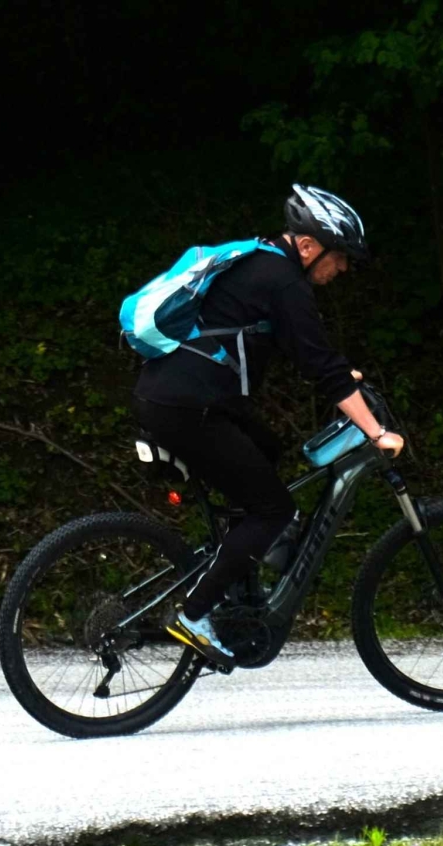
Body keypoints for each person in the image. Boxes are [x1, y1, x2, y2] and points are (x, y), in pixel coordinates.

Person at [131, 184, 404, 668]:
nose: (341, 270)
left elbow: (299, 349)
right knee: (273, 509)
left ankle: (235, 577)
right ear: (307, 245)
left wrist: (345, 379)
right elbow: (321, 365)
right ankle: (195, 614)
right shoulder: (283, 281)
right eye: (338, 257)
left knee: (268, 450)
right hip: (190, 408)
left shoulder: (261, 264)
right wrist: (375, 431)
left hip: (179, 397)